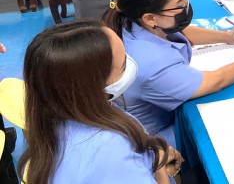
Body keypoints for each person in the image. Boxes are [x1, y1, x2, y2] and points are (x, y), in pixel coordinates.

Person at [103, 0, 234, 147]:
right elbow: (216, 81)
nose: (186, 6)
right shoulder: (152, 64)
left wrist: (226, 36)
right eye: (180, 4)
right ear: (150, 18)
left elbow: (180, 32)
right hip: (154, 135)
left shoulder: (132, 20)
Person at [17, 20, 182, 183]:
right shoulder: (111, 151)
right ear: (92, 86)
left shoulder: (52, 122)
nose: (131, 64)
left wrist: (152, 157)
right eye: (123, 65)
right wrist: (162, 171)